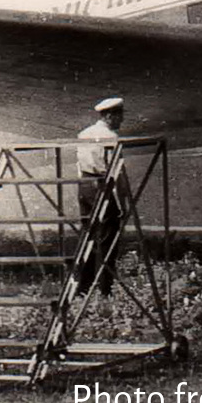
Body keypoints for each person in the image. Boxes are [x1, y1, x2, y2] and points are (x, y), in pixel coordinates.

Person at [76, 97, 125, 296]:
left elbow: (79, 165)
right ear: (109, 115)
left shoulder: (84, 134)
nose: (121, 120)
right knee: (107, 240)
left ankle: (82, 288)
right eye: (119, 115)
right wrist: (123, 202)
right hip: (101, 186)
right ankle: (105, 289)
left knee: (87, 237)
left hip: (85, 186)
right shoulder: (111, 137)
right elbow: (117, 171)